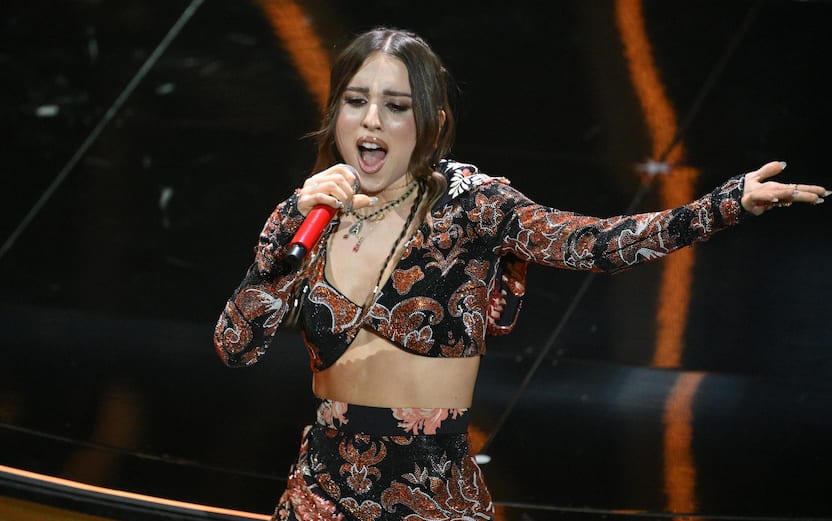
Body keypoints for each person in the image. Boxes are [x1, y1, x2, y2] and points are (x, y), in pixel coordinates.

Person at [213, 26, 828, 521]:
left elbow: (597, 244)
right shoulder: (309, 214)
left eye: (395, 106)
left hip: (432, 500)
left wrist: (724, 204)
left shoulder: (473, 205)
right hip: (317, 497)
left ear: (431, 122)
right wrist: (285, 234)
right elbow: (234, 349)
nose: (371, 121)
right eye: (356, 101)